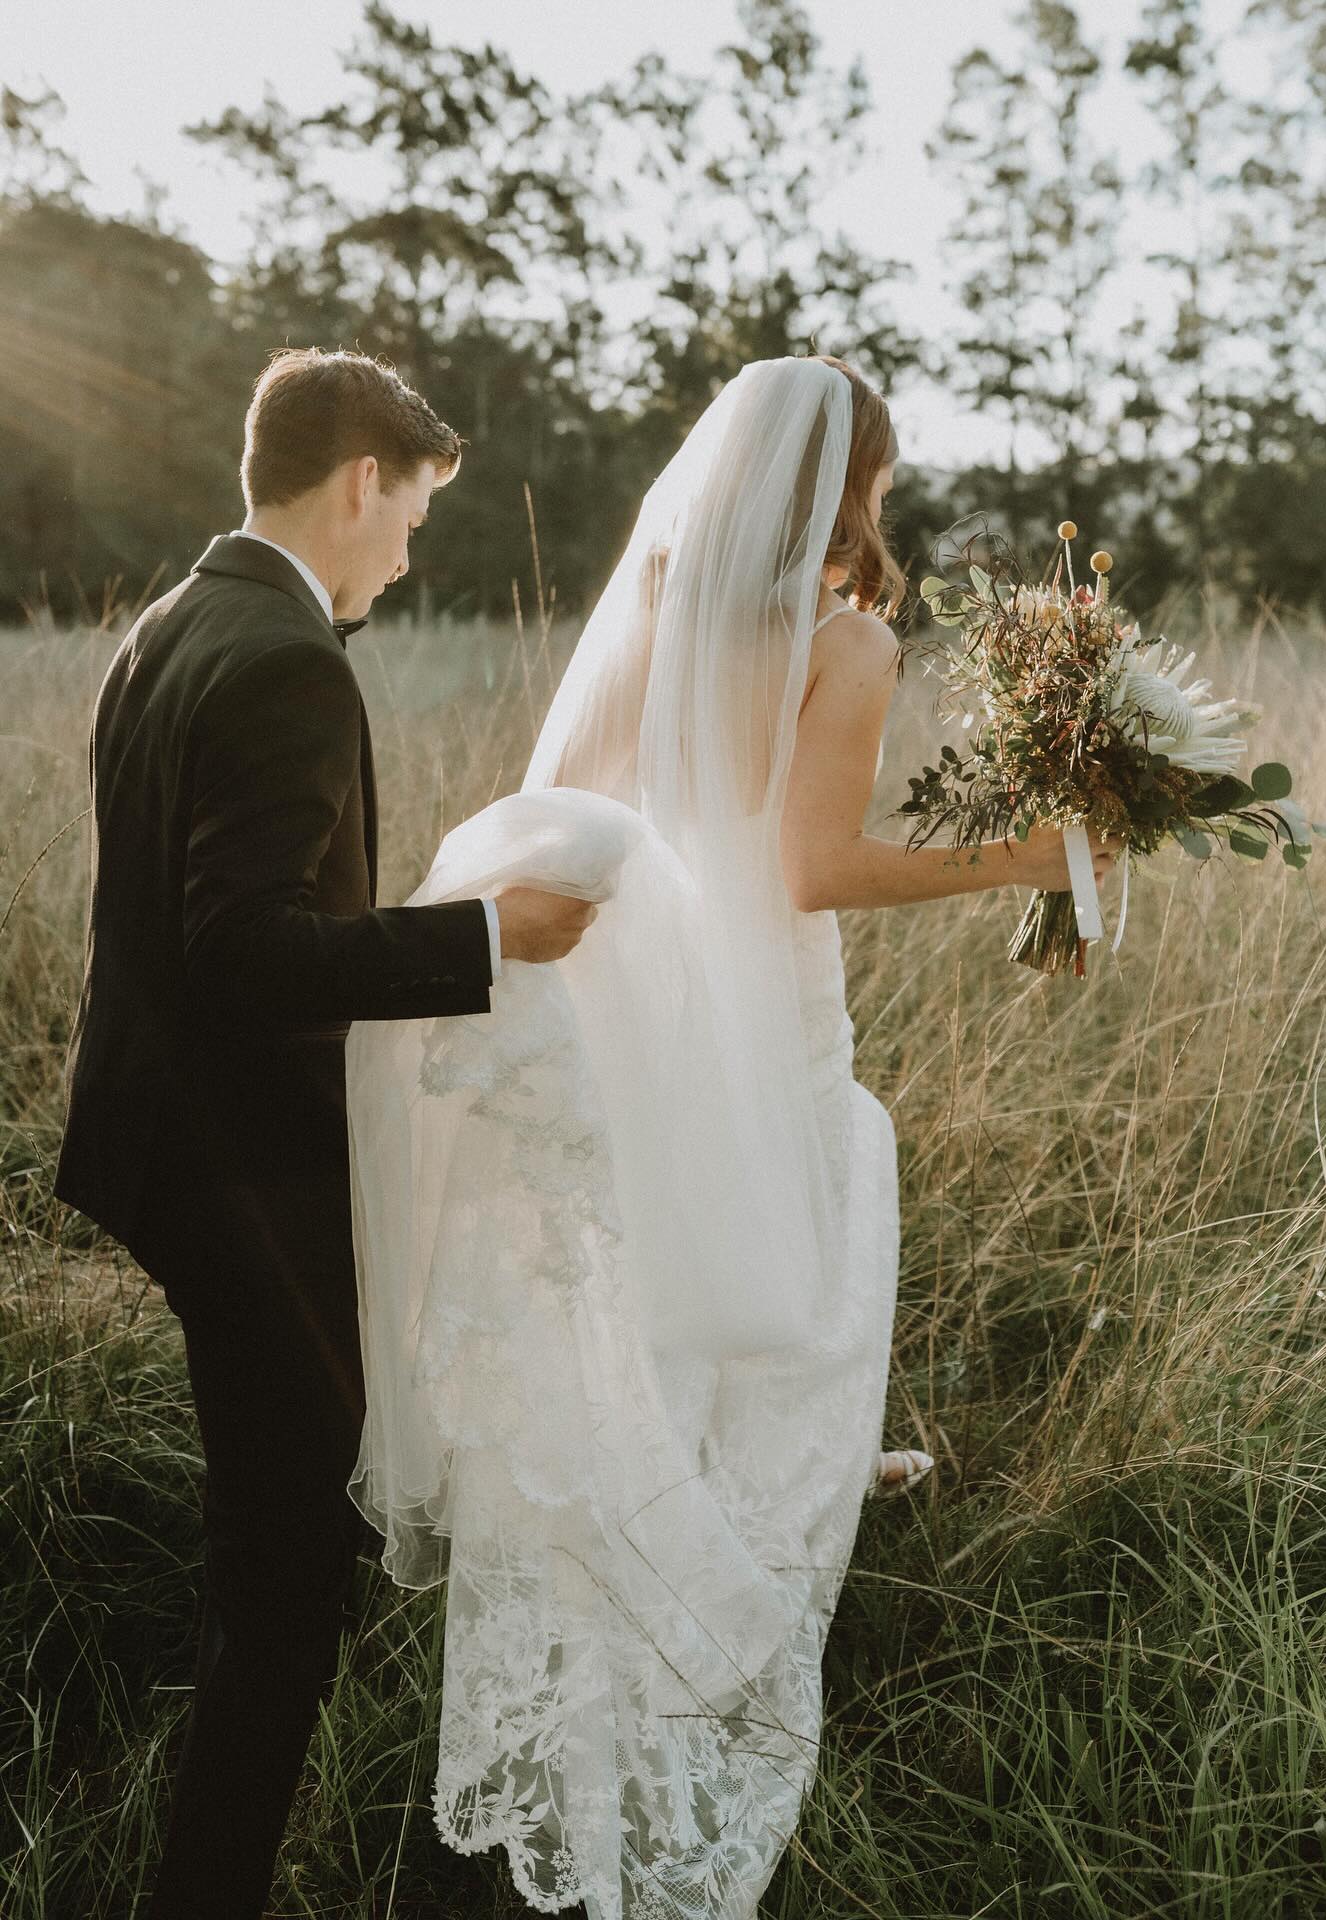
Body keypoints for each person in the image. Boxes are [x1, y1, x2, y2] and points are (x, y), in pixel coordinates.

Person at [346, 352, 1116, 1920]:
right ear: (846, 493)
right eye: (878, 491)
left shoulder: (662, 619)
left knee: (641, 1367)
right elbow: (814, 870)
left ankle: (540, 1793)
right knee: (767, 1334)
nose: (877, 519)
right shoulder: (847, 641)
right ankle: (712, 1675)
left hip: (644, 1039)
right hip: (760, 1028)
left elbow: (580, 809)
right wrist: (1022, 858)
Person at [52, 347, 595, 1920]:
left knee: (285, 1541)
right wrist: (483, 940)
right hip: (240, 1171)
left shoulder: (169, 623)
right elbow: (244, 948)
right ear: (364, 480)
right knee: (286, 1579)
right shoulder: (290, 659)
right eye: (416, 512)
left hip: (164, 1147)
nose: (413, 551)